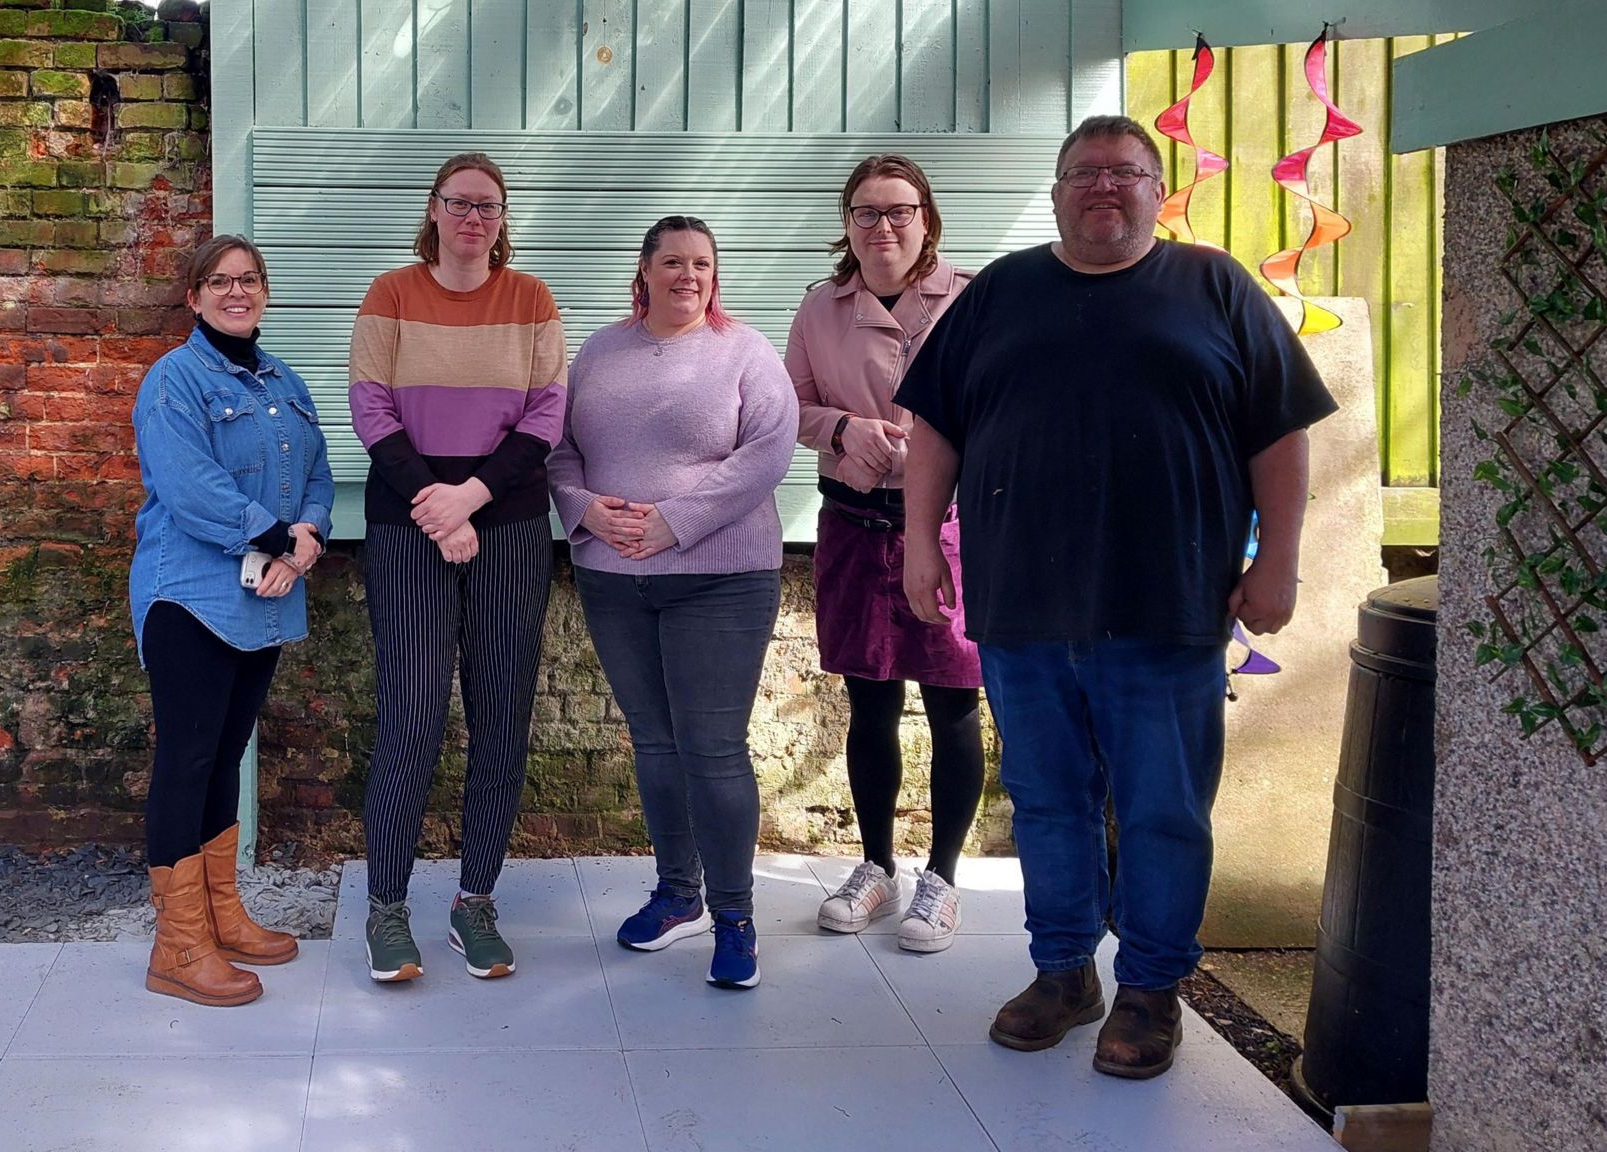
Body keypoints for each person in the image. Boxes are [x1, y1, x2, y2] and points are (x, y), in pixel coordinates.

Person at [895, 115, 1337, 1078]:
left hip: (1170, 601)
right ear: (1056, 193)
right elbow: (936, 426)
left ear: (1157, 191)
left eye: (1126, 171)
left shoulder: (1215, 286)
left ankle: (1149, 989)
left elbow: (1282, 436)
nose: (1104, 185)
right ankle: (1062, 973)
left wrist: (1280, 561)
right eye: (1084, 172)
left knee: (1162, 806)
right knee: (1048, 801)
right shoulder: (1000, 292)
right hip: (1023, 604)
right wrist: (920, 544)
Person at [548, 216, 797, 990]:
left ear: (714, 274)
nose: (688, 275)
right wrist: (585, 511)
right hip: (615, 579)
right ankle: (677, 895)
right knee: (654, 745)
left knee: (712, 749)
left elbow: (769, 452)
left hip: (720, 579)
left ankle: (734, 918)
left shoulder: (745, 353)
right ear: (645, 270)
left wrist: (673, 522)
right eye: (673, 262)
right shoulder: (599, 351)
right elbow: (558, 449)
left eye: (701, 263)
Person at [348, 153, 568, 983]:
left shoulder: (532, 300)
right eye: (459, 203)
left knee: (501, 715)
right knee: (411, 712)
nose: (474, 218)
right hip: (406, 522)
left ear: (503, 220)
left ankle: (475, 903)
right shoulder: (391, 294)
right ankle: (387, 909)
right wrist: (436, 504)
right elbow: (370, 404)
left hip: (507, 522)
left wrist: (470, 496)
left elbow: (547, 412)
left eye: (489, 206)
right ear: (433, 211)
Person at [127, 234, 334, 1006]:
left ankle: (220, 915)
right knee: (186, 759)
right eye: (219, 282)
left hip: (264, 593)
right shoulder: (172, 380)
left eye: (249, 279)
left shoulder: (285, 380)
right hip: (188, 592)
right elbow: (189, 486)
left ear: (265, 292)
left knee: (224, 757)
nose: (236, 292)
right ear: (194, 296)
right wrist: (280, 537)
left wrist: (306, 540)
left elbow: (315, 472)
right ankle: (178, 947)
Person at [787, 154, 985, 953]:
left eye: (899, 211)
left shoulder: (973, 301)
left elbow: (1003, 403)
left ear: (927, 218)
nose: (884, 227)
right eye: (866, 213)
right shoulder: (819, 309)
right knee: (870, 700)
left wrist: (941, 452)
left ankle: (941, 876)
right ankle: (876, 864)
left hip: (945, 528)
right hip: (853, 522)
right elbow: (787, 407)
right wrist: (843, 429)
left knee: (951, 698)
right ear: (847, 225)